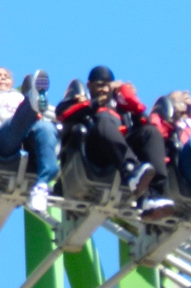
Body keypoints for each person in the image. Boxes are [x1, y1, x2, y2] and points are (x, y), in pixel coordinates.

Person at [56, 66, 174, 219]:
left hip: (118, 155)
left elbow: (144, 123)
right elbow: (63, 113)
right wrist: (96, 103)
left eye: (108, 86)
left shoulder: (121, 110)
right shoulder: (82, 102)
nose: (105, 90)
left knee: (151, 133)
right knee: (104, 121)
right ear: (90, 85)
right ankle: (131, 170)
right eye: (100, 85)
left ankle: (153, 195)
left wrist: (131, 102)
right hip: (94, 153)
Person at [0, 66, 57, 213]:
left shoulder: (18, 96)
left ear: (12, 82)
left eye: (6, 76)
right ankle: (32, 105)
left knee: (47, 128)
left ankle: (41, 186)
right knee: (18, 122)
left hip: (27, 140)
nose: (2, 78)